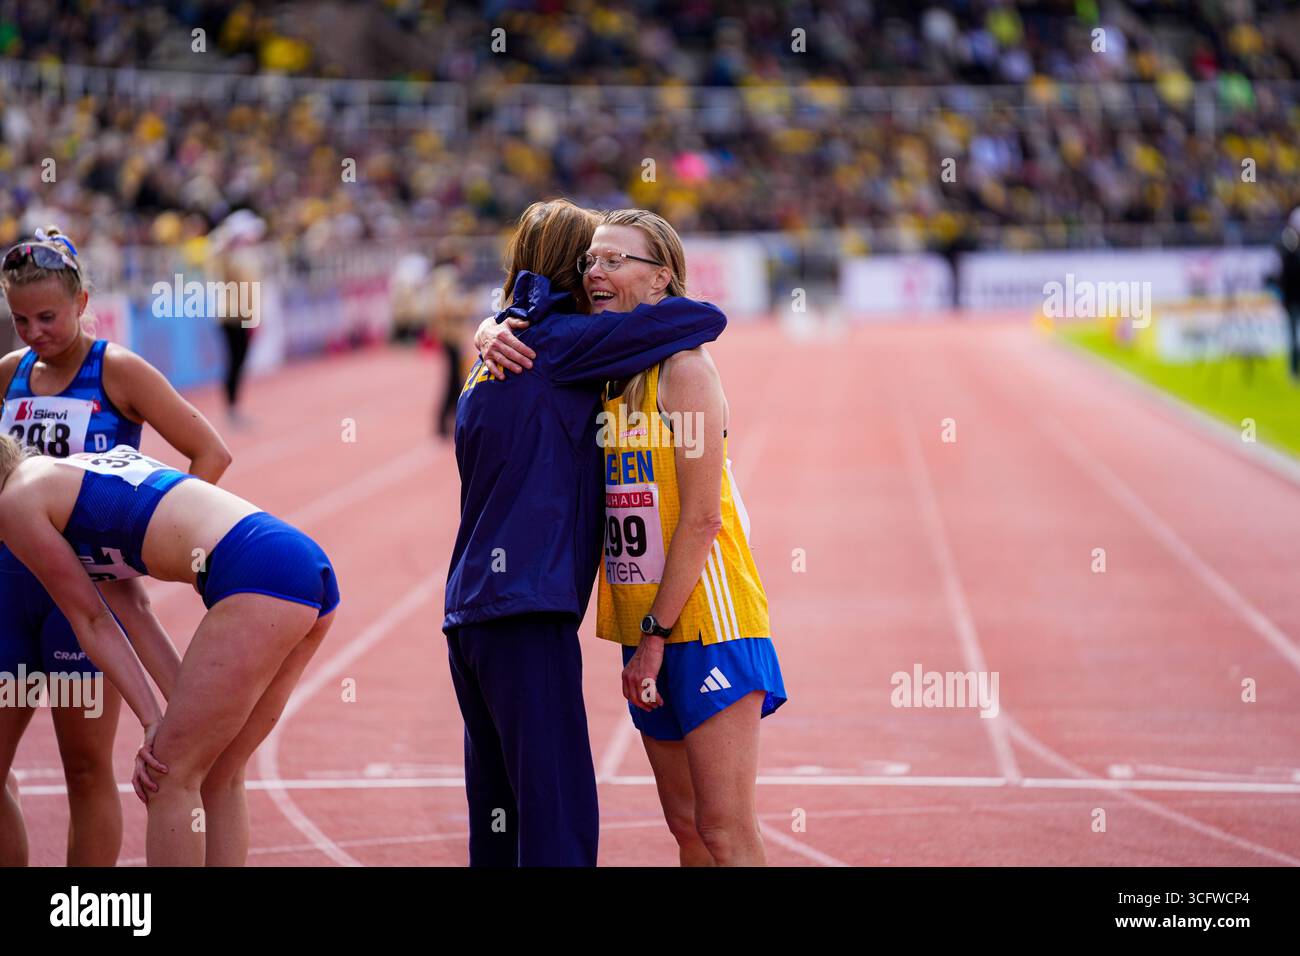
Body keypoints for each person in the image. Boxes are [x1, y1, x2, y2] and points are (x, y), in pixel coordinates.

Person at [481, 210, 786, 867]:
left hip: (706, 620)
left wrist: (653, 635)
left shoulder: (686, 373)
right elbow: (525, 329)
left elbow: (703, 518)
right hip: (642, 625)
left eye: (616, 261)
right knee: (684, 827)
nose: (595, 271)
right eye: (592, 259)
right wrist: (491, 325)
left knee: (725, 828)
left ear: (659, 283)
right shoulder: (606, 373)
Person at [0, 227, 232, 867]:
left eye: (48, 316)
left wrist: (154, 540)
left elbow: (210, 450)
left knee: (83, 767)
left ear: (81, 302)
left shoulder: (117, 369)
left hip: (85, 597)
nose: (34, 331)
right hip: (11, 591)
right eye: (20, 319)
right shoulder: (9, 377)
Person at [0, 438, 339, 867]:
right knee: (217, 772)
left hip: (257, 575)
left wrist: (154, 724)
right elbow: (135, 611)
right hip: (300, 567)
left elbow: (91, 622)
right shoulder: (71, 479)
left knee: (167, 776)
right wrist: (171, 715)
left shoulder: (15, 502)